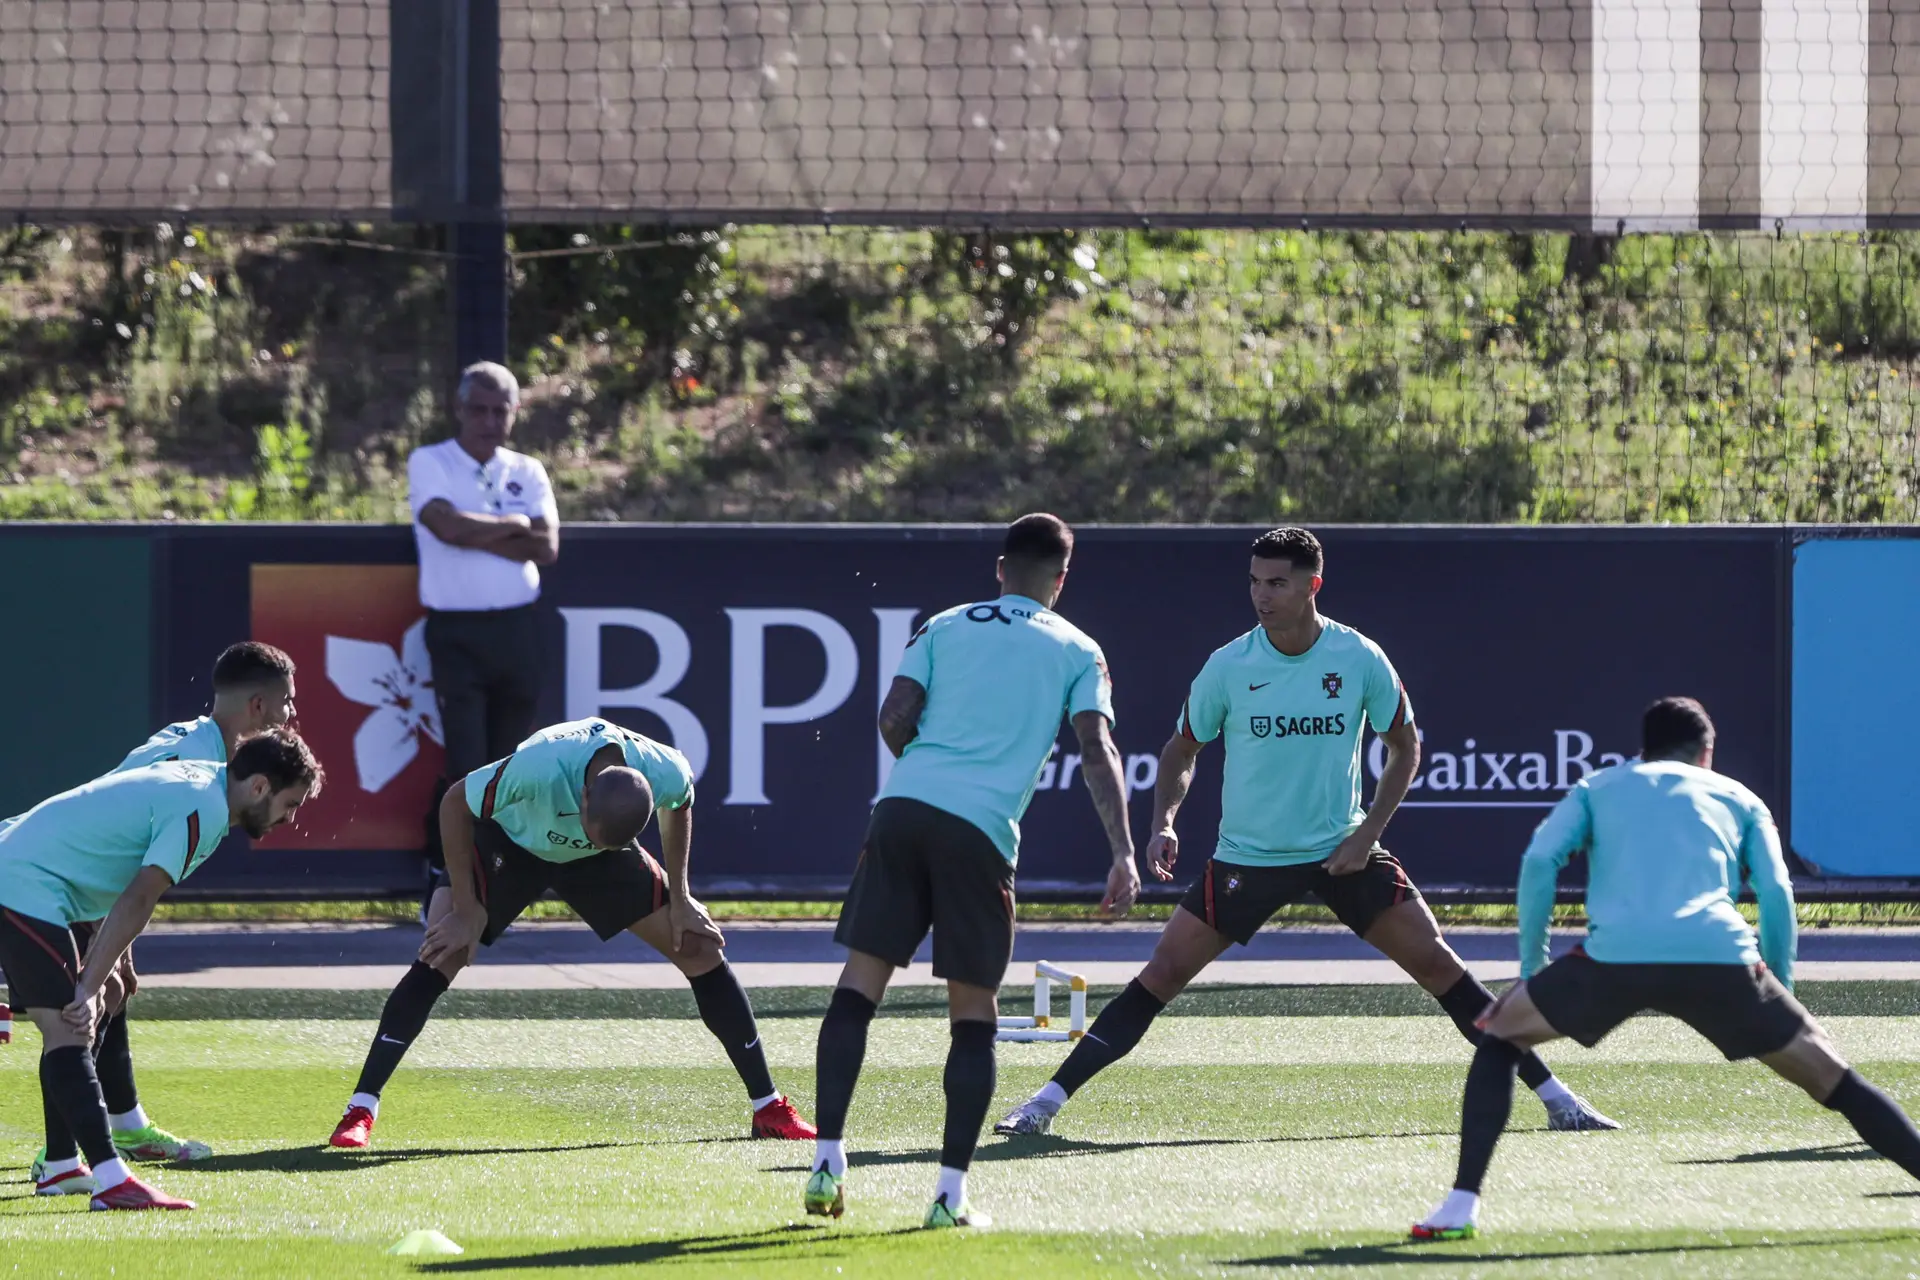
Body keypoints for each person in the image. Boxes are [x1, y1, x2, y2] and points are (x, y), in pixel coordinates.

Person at [995, 527, 1614, 1137]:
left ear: (1312, 585)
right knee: (1159, 977)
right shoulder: (1229, 665)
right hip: (1247, 858)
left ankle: (1560, 1100)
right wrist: (1164, 822)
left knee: (1441, 967)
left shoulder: (1358, 657)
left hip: (1342, 852)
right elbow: (1181, 751)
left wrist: (1367, 832)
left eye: (1277, 583)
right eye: (1255, 582)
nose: (1262, 595)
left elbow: (1405, 748)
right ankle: (1044, 1104)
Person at [1413, 697, 1920, 1240]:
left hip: (1613, 960)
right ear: (1707, 753)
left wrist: (1534, 969)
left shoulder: (1598, 787)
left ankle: (1461, 1205)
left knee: (1499, 1038)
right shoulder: (1739, 796)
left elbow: (1540, 861)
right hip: (1722, 961)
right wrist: (1780, 990)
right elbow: (1776, 892)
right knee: (1836, 1082)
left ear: (1643, 750)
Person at [804, 513, 1141, 1229]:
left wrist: (930, 762)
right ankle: (949, 1196)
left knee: (858, 988)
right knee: (973, 1017)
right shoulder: (1079, 648)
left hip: (900, 809)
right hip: (981, 831)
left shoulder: (943, 625)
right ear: (1061, 577)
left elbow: (893, 717)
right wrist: (1123, 851)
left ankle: (826, 1159)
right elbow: (1096, 750)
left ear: (999, 567)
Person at [328, 716, 817, 1148]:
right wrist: (467, 907)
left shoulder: (661, 767)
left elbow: (681, 802)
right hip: (513, 841)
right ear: (583, 796)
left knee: (698, 946)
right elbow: (456, 801)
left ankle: (768, 1107)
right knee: (444, 947)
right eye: (587, 824)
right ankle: (361, 1108)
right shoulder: (538, 767)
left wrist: (682, 896)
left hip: (595, 861)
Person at [0, 729, 323, 1210]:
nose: (290, 818)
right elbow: (139, 896)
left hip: (33, 877)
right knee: (69, 1023)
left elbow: (95, 847)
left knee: (97, 1004)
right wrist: (86, 982)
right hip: (22, 882)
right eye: (290, 804)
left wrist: (98, 977)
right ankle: (112, 1182)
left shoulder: (203, 781)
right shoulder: (207, 807)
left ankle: (64, 1165)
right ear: (259, 787)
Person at [408, 361, 557, 910]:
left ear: (515, 413)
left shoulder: (529, 469)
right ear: (459, 408)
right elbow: (444, 526)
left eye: (502, 410)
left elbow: (546, 548)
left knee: (512, 764)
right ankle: (443, 880)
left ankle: (498, 884)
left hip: (518, 627)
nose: (490, 421)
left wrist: (485, 530)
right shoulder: (430, 461)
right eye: (480, 409)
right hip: (457, 630)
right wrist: (515, 526)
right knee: (466, 762)